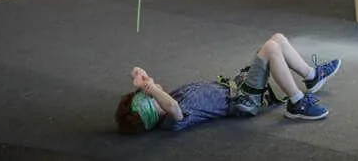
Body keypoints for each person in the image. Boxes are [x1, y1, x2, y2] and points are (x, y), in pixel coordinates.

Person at [113, 33, 339, 133]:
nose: (154, 91)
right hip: (243, 101)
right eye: (152, 97)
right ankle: (297, 103)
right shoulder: (171, 121)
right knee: (271, 49)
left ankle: (311, 76)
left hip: (237, 86)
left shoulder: (169, 99)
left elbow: (157, 91)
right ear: (155, 112)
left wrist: (141, 76)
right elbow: (171, 106)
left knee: (277, 39)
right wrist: (147, 88)